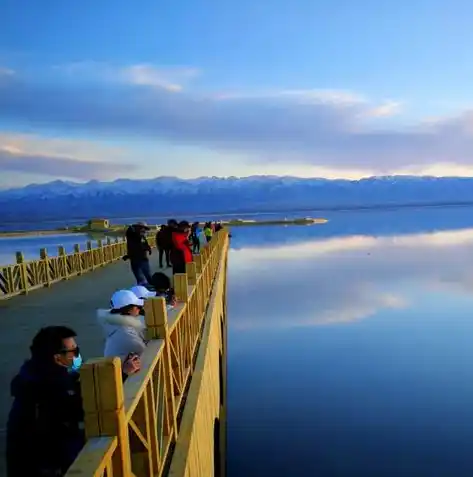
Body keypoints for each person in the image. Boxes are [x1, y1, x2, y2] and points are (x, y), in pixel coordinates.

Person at [6, 326, 140, 477]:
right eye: (74, 351)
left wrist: (120, 372)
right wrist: (121, 375)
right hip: (48, 467)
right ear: (57, 358)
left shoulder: (35, 376)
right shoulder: (48, 389)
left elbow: (76, 389)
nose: (77, 355)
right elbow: (87, 406)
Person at [97, 290, 148, 361]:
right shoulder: (124, 332)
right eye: (138, 306)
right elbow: (146, 350)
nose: (140, 308)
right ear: (129, 310)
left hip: (116, 366)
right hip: (119, 370)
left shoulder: (114, 324)